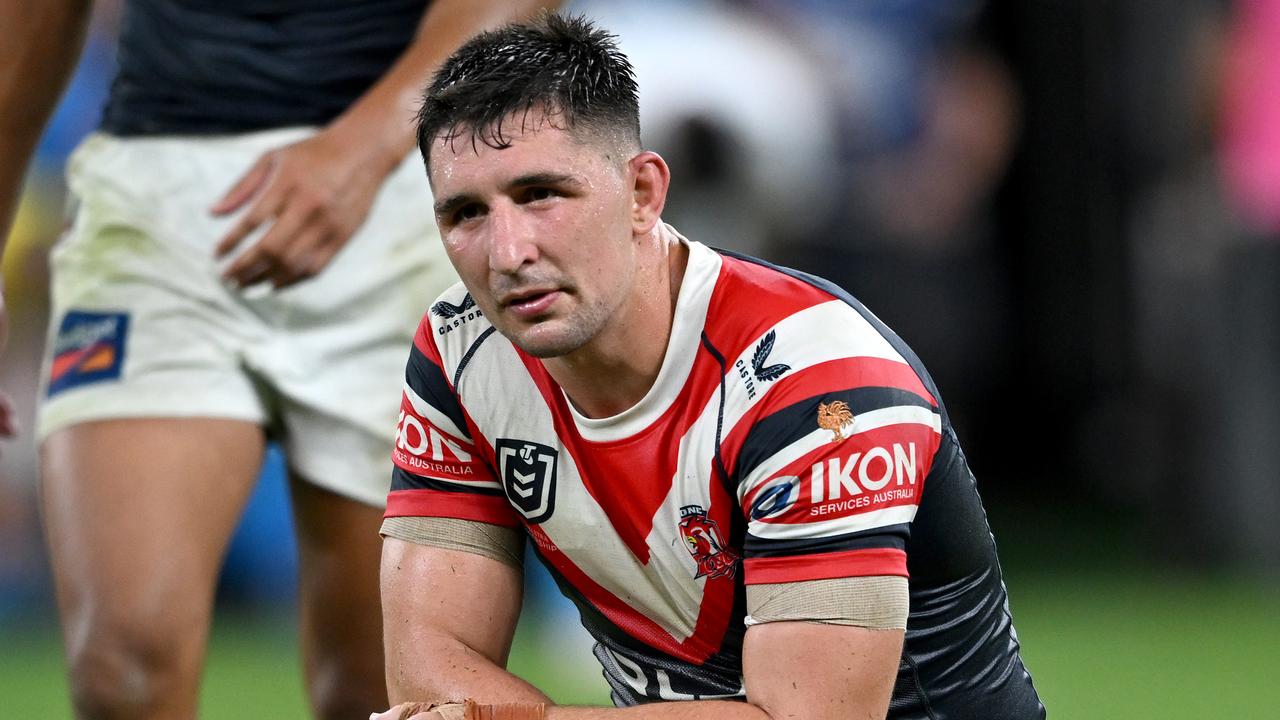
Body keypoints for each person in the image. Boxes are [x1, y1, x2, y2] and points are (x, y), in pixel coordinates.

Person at [375, 12, 1045, 720]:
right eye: (466, 213)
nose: (507, 253)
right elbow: (428, 673)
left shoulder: (822, 384)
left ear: (643, 193)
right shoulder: (463, 348)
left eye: (541, 195)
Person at [0, 1, 560, 718]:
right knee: (122, 673)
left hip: (400, 193)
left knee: (382, 691)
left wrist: (362, 149)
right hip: (155, 207)